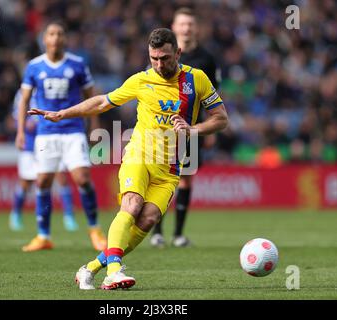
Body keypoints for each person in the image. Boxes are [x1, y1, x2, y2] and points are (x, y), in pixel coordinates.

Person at [29, 28, 228, 290]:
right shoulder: (141, 80)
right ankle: (114, 271)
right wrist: (62, 114)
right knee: (131, 205)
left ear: (178, 53)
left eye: (165, 58)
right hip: (139, 156)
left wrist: (194, 130)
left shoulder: (197, 79)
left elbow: (221, 118)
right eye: (154, 58)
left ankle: (90, 268)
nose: (159, 64)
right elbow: (102, 102)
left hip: (170, 169)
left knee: (147, 219)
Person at [16, 21, 107, 252]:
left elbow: (91, 98)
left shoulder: (77, 64)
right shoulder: (34, 66)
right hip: (45, 133)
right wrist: (20, 131)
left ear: (65, 39)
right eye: (51, 33)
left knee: (82, 178)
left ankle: (95, 230)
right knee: (43, 182)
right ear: (44, 39)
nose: (56, 37)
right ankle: (43, 235)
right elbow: (24, 101)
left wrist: (95, 127)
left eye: (60, 33)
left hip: (73, 130)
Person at [150, 7, 219, 248]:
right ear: (174, 26)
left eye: (190, 24)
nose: (187, 28)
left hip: (191, 129)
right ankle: (156, 232)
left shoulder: (206, 59)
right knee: (160, 179)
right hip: (162, 129)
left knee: (186, 180)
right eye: (182, 24)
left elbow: (213, 96)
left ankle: (178, 234)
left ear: (196, 28)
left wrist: (206, 129)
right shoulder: (162, 54)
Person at [10, 89, 78, 232]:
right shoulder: (23, 93)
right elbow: (17, 116)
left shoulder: (50, 89)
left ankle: (69, 216)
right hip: (30, 144)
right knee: (26, 182)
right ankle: (16, 214)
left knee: (61, 176)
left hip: (49, 140)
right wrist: (23, 127)